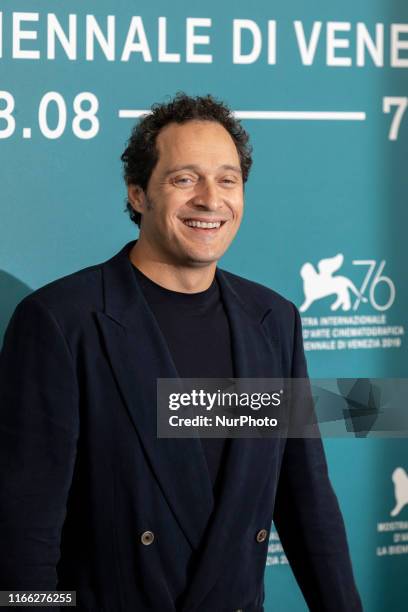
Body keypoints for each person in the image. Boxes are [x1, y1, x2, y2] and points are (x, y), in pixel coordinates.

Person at [0, 93, 362, 611]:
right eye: (184, 178)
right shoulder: (61, 322)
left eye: (227, 179)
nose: (211, 200)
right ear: (138, 195)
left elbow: (307, 503)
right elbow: (24, 533)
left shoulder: (274, 320)